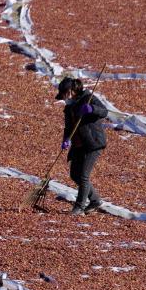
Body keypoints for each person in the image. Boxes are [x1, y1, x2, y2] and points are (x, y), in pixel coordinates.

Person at [57, 76, 108, 216]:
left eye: (65, 93)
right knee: (75, 175)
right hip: (78, 145)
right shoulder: (69, 108)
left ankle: (79, 207)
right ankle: (95, 200)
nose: (64, 97)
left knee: (83, 176)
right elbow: (68, 127)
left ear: (72, 90)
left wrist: (91, 108)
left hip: (93, 143)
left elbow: (104, 112)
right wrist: (66, 140)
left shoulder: (88, 98)